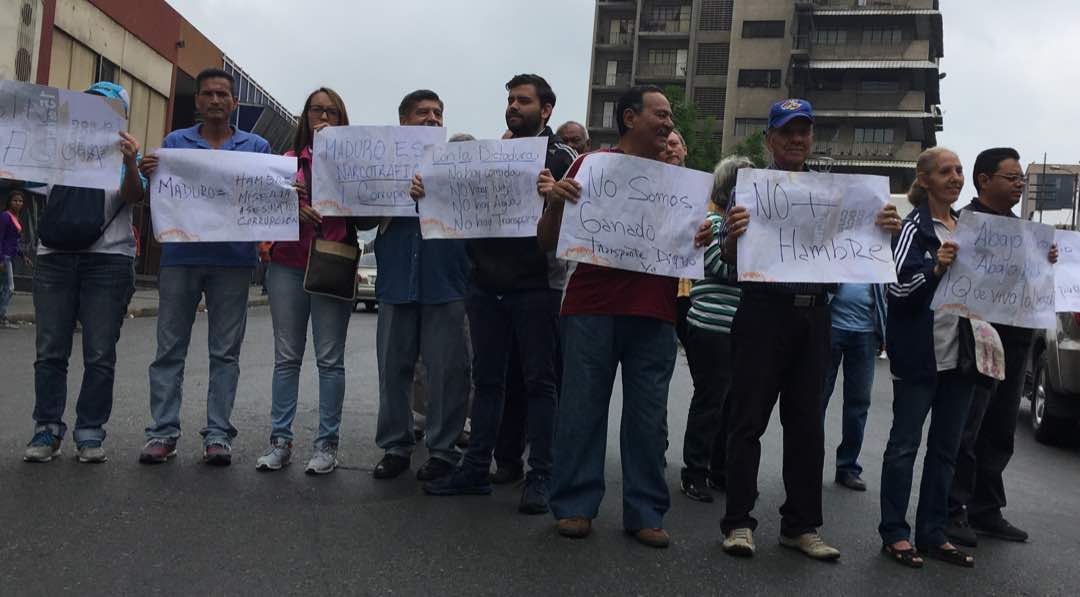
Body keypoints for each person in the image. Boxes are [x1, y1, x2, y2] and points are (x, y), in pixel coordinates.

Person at [718, 98, 902, 560]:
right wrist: (733, 233)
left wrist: (884, 230)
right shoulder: (750, 189)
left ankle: (800, 526)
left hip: (817, 314)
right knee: (747, 421)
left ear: (811, 138)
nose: (796, 140)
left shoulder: (837, 194)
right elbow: (727, 258)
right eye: (787, 132)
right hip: (762, 311)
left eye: (804, 132)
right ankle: (738, 521)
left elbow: (863, 250)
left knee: (806, 425)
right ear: (770, 140)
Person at [538, 85, 714, 548]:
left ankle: (646, 511)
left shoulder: (681, 184)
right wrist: (555, 201)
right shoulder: (590, 165)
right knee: (581, 410)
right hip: (590, 309)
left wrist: (696, 240)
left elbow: (690, 247)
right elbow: (546, 243)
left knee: (649, 419)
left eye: (671, 116)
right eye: (662, 114)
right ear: (631, 117)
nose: (670, 123)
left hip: (655, 314)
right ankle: (575, 505)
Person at [419, 74, 575, 515]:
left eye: (523, 100)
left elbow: (583, 214)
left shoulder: (562, 157)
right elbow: (454, 204)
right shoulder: (487, 155)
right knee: (487, 382)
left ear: (545, 110)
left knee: (540, 383)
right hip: (485, 286)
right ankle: (474, 468)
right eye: (509, 99)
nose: (513, 106)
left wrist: (555, 196)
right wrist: (424, 194)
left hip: (536, 288)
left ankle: (540, 475)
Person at [137, 68, 271, 467]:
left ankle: (218, 435)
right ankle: (162, 433)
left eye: (223, 94)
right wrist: (149, 174)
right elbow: (162, 194)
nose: (215, 100)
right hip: (181, 257)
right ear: (197, 101)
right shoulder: (175, 144)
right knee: (169, 350)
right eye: (208, 94)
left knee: (225, 353)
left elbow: (267, 195)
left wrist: (287, 190)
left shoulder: (258, 147)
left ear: (234, 103)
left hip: (232, 260)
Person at [22, 81, 145, 464]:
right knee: (50, 351)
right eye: (90, 106)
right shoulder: (58, 146)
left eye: (108, 109)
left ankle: (90, 432)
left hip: (108, 261)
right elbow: (28, 183)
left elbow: (135, 196)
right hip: (55, 257)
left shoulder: (127, 152)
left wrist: (129, 161)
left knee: (99, 352)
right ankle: (47, 427)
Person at [946, 147, 1058, 546]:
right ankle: (952, 509)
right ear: (984, 180)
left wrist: (1048, 262)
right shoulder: (964, 223)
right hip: (977, 339)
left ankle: (986, 510)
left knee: (1001, 428)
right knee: (968, 428)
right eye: (1011, 177)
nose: (1019, 184)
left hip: (1016, 339)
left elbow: (1037, 283)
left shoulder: (1025, 232)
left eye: (1020, 179)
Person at [254, 87, 364, 475]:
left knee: (330, 360)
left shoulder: (354, 166)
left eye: (332, 112)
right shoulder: (285, 163)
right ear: (305, 116)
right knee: (286, 357)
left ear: (342, 119)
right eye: (316, 109)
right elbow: (262, 212)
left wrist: (353, 195)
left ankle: (326, 445)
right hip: (287, 264)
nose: (323, 117)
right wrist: (292, 207)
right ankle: (280, 442)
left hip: (332, 261)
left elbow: (367, 218)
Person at [371, 89, 471, 482]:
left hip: (445, 280)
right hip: (396, 278)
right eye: (422, 113)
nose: (431, 119)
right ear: (403, 122)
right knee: (392, 369)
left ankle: (443, 450)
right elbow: (361, 221)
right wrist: (395, 190)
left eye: (437, 113)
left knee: (447, 371)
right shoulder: (381, 164)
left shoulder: (460, 165)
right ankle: (395, 447)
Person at [679, 155, 752, 503]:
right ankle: (694, 472)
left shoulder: (750, 228)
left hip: (742, 328)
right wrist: (754, 265)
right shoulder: (709, 221)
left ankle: (719, 470)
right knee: (711, 400)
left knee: (735, 403)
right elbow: (716, 266)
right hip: (710, 325)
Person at [822, 282, 887, 492]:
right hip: (830, 324)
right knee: (817, 397)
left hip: (866, 331)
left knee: (859, 402)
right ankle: (809, 463)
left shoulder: (882, 248)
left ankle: (848, 467)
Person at [1, 189, 32, 328]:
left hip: (10, 256)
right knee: (10, 288)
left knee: (3, 288)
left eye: (20, 201)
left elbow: (14, 242)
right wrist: (1, 259)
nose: (18, 203)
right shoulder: (5, 217)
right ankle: (2, 317)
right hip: (4, 257)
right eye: (15, 200)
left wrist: (23, 256)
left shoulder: (16, 218)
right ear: (9, 202)